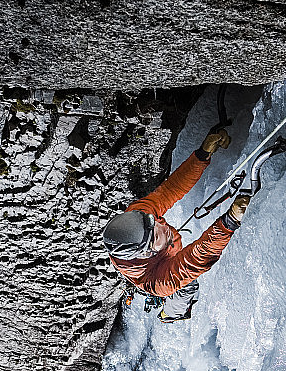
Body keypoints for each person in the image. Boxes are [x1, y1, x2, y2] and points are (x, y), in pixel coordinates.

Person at [102, 129, 251, 322]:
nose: (162, 226)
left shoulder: (139, 215)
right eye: (155, 236)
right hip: (161, 275)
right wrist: (229, 222)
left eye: (153, 222)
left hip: (158, 259)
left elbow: (171, 189)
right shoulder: (159, 282)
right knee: (186, 288)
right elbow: (195, 260)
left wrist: (202, 154)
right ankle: (171, 315)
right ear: (147, 253)